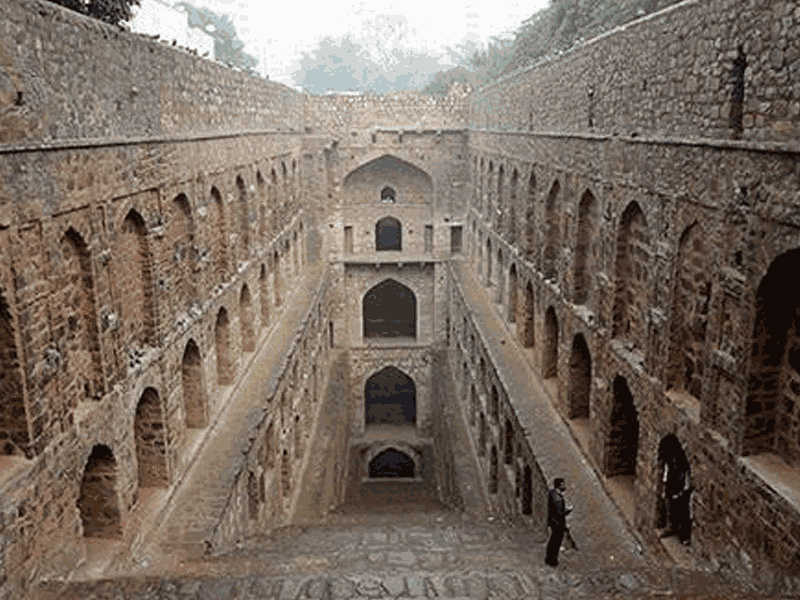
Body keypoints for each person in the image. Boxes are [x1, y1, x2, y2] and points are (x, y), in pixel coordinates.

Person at [660, 454, 692, 545]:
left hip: (680, 494)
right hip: (671, 490)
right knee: (670, 511)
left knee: (682, 515)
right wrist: (666, 492)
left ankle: (683, 536)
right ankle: (670, 527)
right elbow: (665, 479)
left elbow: (687, 486)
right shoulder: (669, 466)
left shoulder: (684, 471)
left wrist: (679, 494)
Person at [545, 477, 572, 566]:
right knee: (556, 542)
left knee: (552, 541)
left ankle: (548, 558)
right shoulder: (558, 499)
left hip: (552, 522)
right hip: (558, 524)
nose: (564, 486)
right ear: (559, 486)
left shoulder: (552, 493)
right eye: (563, 484)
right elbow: (560, 513)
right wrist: (568, 510)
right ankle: (552, 560)